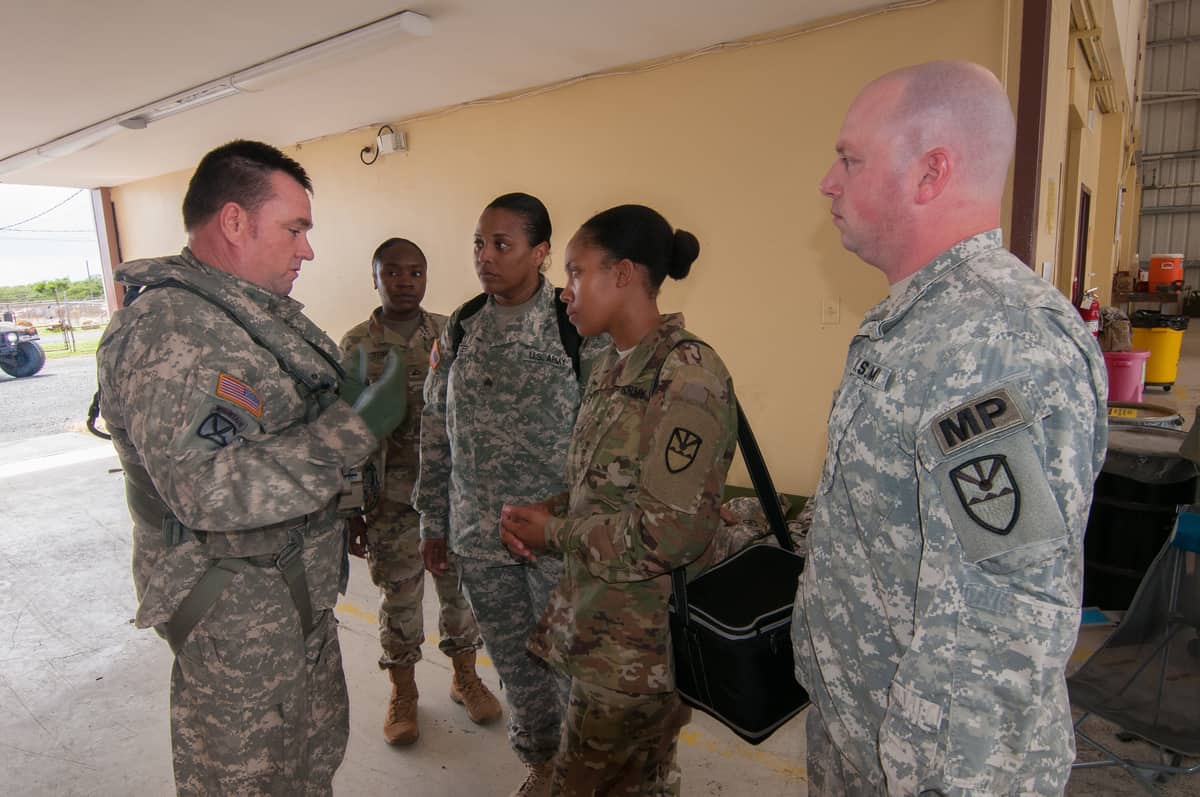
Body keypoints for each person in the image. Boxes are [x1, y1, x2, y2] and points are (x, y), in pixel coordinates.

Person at [792, 61, 1108, 796]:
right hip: (861, 728)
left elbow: (1002, 619)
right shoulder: (913, 321)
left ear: (931, 172)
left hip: (932, 769)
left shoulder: (1001, 340)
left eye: (850, 159)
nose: (828, 183)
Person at [96, 140, 408, 795]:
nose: (307, 250)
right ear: (235, 221)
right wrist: (351, 431)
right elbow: (206, 488)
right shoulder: (171, 331)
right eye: (295, 229)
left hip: (291, 602)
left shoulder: (251, 316)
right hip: (234, 623)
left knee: (309, 766)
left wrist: (338, 410)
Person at [500, 204, 738, 796]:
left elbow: (671, 532)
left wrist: (553, 534)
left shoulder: (686, 375)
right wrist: (552, 510)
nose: (565, 290)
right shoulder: (612, 365)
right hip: (601, 631)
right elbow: (606, 485)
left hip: (642, 654)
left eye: (577, 271)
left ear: (624, 273)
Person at [414, 192, 596, 797]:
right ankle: (540, 764)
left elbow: (603, 439)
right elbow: (436, 427)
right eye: (478, 243)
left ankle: (580, 776)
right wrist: (433, 521)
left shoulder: (573, 325)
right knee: (517, 667)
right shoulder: (462, 326)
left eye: (501, 244)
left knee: (571, 668)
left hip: (555, 540)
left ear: (540, 252)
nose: (484, 257)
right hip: (479, 537)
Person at [339, 237, 500, 745]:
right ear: (375, 279)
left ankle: (465, 677)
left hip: (449, 497)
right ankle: (403, 692)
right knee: (400, 598)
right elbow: (344, 433)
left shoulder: (450, 334)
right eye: (392, 272)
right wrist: (350, 510)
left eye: (415, 272)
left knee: (459, 593)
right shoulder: (356, 345)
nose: (404, 282)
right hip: (390, 501)